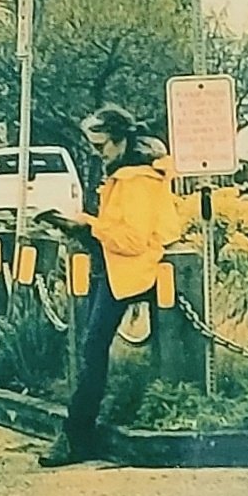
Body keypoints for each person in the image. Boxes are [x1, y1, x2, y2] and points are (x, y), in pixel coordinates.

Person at [37, 105, 181, 467]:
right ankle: (79, 431)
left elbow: (131, 238)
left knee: (93, 349)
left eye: (101, 146)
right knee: (92, 348)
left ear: (120, 141)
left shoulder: (135, 181)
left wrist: (89, 226)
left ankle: (76, 435)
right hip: (117, 268)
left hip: (130, 270)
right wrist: (83, 226)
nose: (97, 152)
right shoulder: (127, 174)